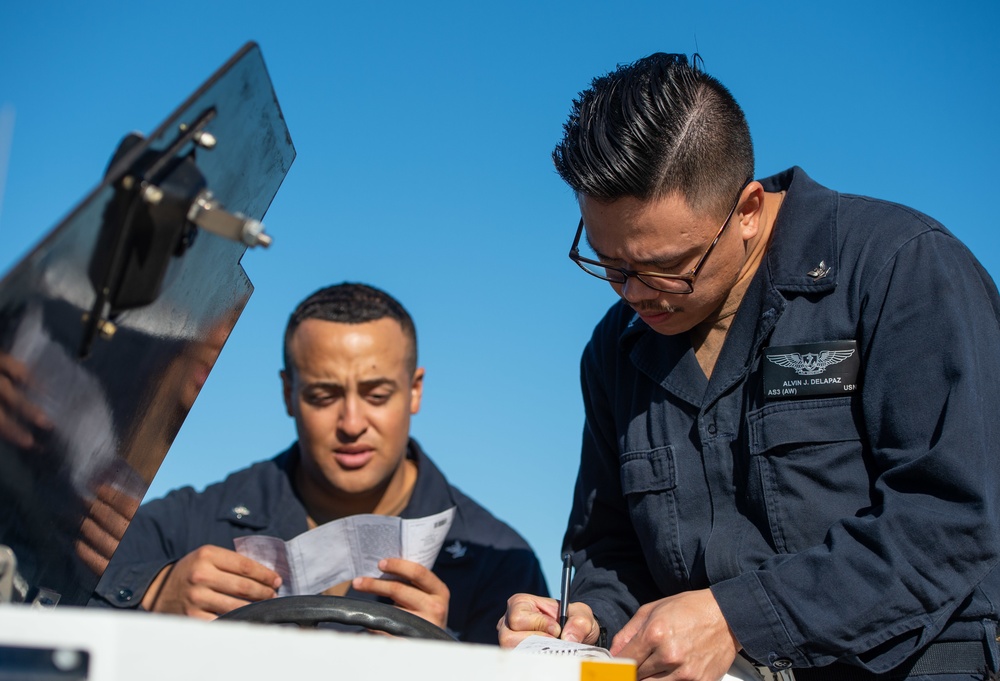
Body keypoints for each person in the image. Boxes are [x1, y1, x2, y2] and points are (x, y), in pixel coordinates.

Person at [498, 53, 1000, 681]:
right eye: (609, 264)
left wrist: (739, 618)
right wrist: (585, 619)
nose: (634, 293)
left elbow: (950, 522)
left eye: (663, 267)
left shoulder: (901, 271)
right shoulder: (614, 349)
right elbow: (609, 549)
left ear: (748, 210)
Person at [92, 282, 548, 644]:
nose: (351, 423)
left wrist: (444, 661)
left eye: (376, 394)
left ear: (415, 391)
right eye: (323, 395)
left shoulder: (500, 565)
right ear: (288, 393)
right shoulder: (185, 526)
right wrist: (153, 591)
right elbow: (45, 602)